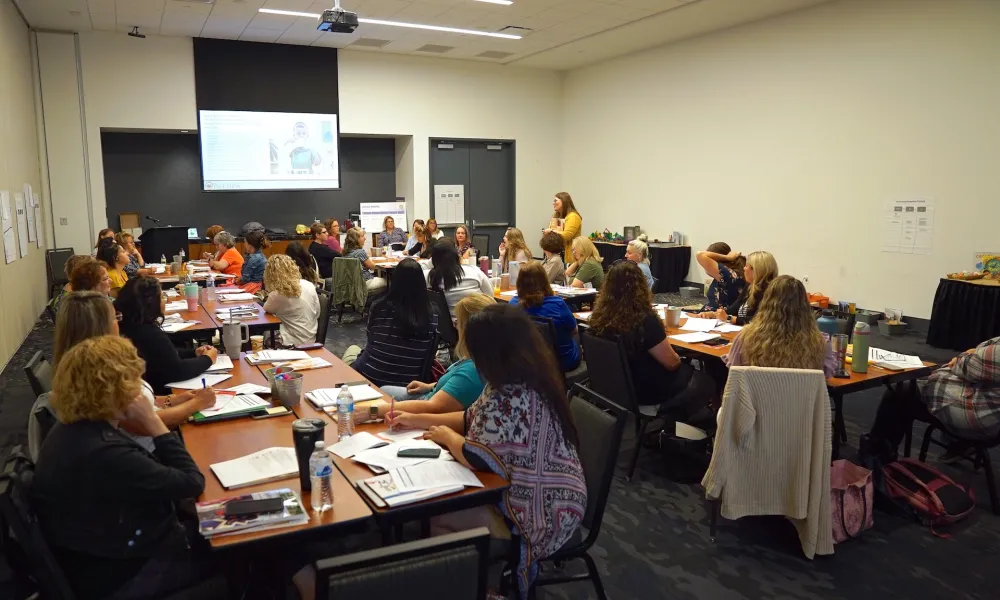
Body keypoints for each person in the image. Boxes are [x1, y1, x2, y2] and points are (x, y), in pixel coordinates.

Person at [387, 305, 586, 598]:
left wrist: (448, 439)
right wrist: (415, 421)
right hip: (552, 493)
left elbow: (477, 456)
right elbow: (469, 418)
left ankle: (482, 585)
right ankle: (479, 580)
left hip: (542, 511)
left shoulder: (511, 393)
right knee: (440, 512)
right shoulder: (522, 376)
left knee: (436, 518)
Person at [32, 335, 212, 600]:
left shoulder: (73, 429)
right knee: (256, 550)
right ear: (115, 389)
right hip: (128, 573)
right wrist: (154, 423)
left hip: (104, 556)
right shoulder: (105, 452)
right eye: (133, 382)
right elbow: (191, 482)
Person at [30, 292, 217, 457]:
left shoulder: (77, 365)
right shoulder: (98, 372)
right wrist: (196, 404)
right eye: (115, 317)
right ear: (100, 326)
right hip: (147, 453)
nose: (120, 322)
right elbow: (141, 424)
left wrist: (171, 399)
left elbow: (138, 402)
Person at [589, 261, 715, 423]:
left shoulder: (599, 317)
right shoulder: (643, 319)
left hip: (617, 388)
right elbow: (672, 363)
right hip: (648, 392)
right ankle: (677, 424)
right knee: (706, 381)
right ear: (641, 287)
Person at [371, 294, 492, 417]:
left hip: (426, 408)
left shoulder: (472, 371)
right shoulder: (484, 357)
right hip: (430, 395)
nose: (456, 327)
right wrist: (430, 386)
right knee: (384, 390)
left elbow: (432, 406)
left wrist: (372, 412)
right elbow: (460, 387)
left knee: (380, 397)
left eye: (458, 323)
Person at [342, 258, 439, 388]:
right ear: (422, 283)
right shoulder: (432, 312)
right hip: (410, 383)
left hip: (371, 376)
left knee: (353, 349)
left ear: (394, 281)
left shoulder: (378, 306)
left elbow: (371, 338)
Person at [116, 276, 217, 394]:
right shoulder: (149, 334)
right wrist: (207, 359)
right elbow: (177, 370)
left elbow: (163, 355)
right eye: (162, 297)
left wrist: (193, 353)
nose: (164, 301)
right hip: (160, 392)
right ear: (151, 303)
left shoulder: (127, 325)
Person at [725, 275, 836, 377]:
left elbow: (734, 375)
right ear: (805, 306)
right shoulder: (820, 342)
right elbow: (828, 374)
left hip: (757, 398)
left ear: (765, 303)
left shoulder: (745, 338)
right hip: (799, 398)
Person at [510, 262, 580, 371]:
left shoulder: (512, 305)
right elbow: (574, 330)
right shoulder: (557, 304)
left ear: (519, 282)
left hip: (529, 363)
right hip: (560, 364)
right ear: (545, 281)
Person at [699, 250, 778, 326]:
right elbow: (735, 307)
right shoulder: (749, 285)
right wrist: (715, 314)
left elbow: (759, 320)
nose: (744, 268)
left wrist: (729, 318)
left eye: (747, 266)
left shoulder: (769, 291)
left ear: (756, 270)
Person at [263, 254, 321, 347]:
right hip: (310, 339)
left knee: (265, 333)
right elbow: (317, 313)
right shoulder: (309, 285)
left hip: (290, 342)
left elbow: (266, 309)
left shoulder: (277, 294)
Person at [427, 237, 493, 314]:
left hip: (444, 324)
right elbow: (490, 296)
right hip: (475, 322)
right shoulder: (474, 271)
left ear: (433, 259)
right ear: (457, 255)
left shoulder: (427, 277)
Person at [696, 242, 747, 311]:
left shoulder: (724, 273)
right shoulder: (733, 272)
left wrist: (729, 257)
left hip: (716, 316)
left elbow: (700, 254)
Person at [342, 227, 387, 292]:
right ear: (356, 239)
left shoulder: (345, 252)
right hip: (365, 282)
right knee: (388, 281)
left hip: (351, 284)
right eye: (362, 236)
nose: (365, 238)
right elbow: (372, 267)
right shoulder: (360, 252)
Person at [543, 192, 582, 263]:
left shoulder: (573, 216)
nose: (553, 203)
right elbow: (551, 237)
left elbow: (567, 235)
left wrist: (551, 231)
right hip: (556, 255)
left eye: (555, 200)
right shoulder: (556, 216)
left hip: (569, 256)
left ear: (564, 201)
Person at [239, 229, 268, 294]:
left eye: (245, 242)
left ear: (250, 245)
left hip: (252, 288)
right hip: (259, 287)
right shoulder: (262, 256)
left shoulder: (253, 259)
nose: (244, 244)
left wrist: (236, 280)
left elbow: (245, 279)